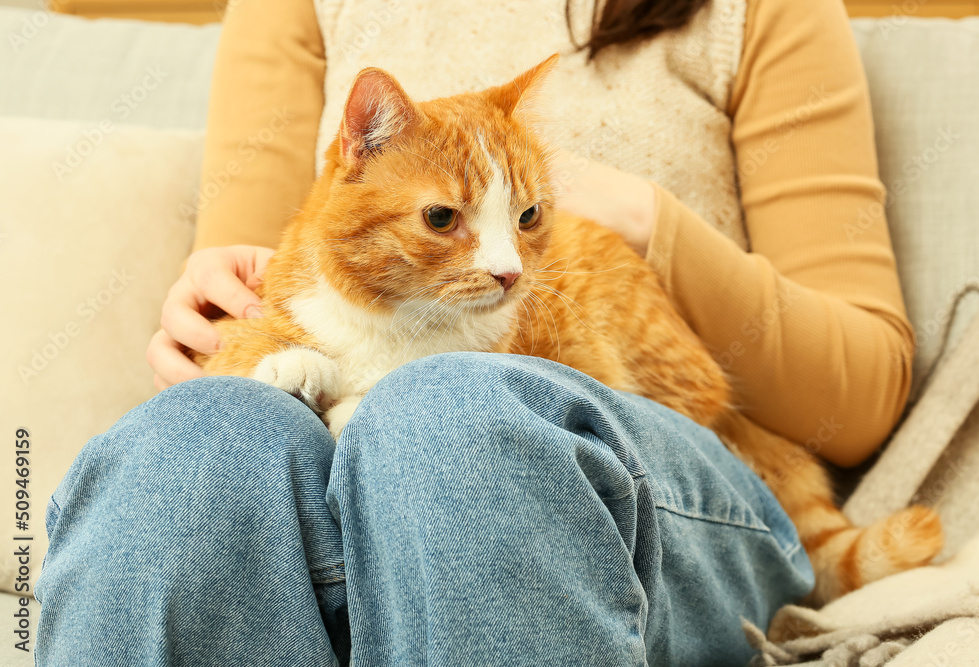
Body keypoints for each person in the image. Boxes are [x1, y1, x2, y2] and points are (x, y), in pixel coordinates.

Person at [34, 0, 915, 664]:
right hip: (351, 421)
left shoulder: (761, 12)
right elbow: (271, 278)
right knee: (188, 446)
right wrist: (215, 314)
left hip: (655, 460)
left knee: (449, 418)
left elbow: (865, 391)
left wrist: (651, 218)